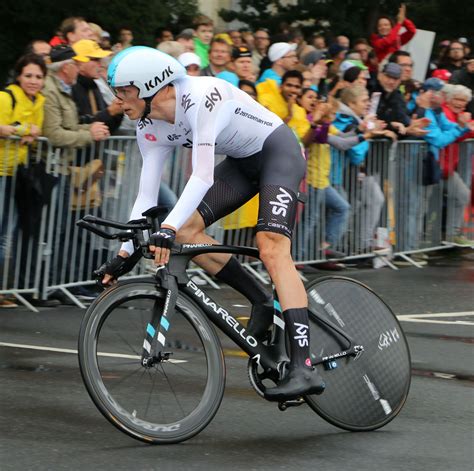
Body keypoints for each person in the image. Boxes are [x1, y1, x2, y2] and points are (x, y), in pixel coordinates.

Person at [105, 46, 326, 399]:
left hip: (278, 152)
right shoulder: (148, 123)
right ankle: (260, 299)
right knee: (188, 234)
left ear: (153, 87)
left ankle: (304, 367)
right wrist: (124, 250)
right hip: (241, 162)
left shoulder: (200, 96)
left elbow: (203, 175)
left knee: (271, 248)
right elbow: (145, 194)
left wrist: (167, 227)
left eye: (124, 91)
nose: (118, 100)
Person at [0, 54, 47, 306]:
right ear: (18, 76)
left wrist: (23, 131)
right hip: (0, 170)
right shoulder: (6, 96)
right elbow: (3, 127)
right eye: (28, 75)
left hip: (16, 173)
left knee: (6, 232)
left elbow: (36, 131)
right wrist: (22, 130)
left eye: (38, 77)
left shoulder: (39, 100)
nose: (33, 81)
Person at [440, 84, 473, 245]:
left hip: (446, 167)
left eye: (464, 101)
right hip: (439, 166)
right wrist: (463, 127)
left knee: (461, 195)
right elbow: (452, 135)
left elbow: (464, 132)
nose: (461, 103)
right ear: (449, 99)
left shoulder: (455, 114)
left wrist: (466, 127)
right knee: (462, 194)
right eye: (458, 99)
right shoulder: (446, 113)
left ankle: (452, 235)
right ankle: (450, 235)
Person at [71, 40, 123, 134]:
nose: (100, 64)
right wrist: (110, 112)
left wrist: (118, 112)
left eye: (100, 60)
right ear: (80, 62)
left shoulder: (93, 86)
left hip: (95, 147)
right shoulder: (71, 88)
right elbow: (77, 125)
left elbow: (107, 128)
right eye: (95, 59)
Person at [257, 70, 310, 141]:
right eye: (289, 85)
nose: (293, 90)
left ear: (300, 91)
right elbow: (269, 131)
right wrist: (289, 115)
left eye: (297, 87)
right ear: (281, 86)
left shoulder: (300, 111)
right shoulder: (266, 99)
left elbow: (302, 141)